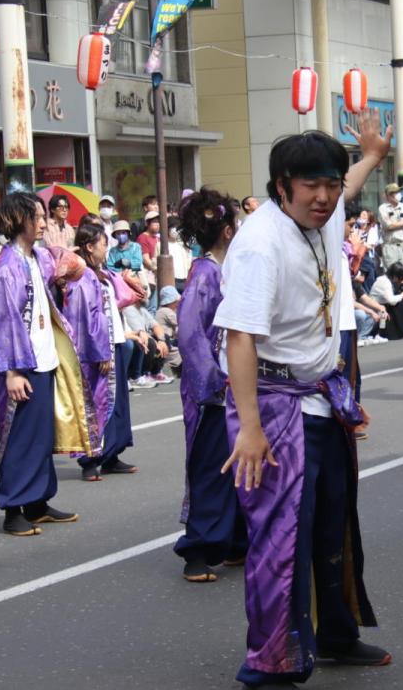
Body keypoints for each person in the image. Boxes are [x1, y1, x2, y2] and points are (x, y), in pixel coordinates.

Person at [215, 111, 390, 687]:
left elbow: (351, 185)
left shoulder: (325, 213)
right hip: (271, 404)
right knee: (279, 537)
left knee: (332, 524)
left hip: (322, 395)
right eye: (310, 185)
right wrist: (248, 427)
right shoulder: (258, 246)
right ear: (281, 185)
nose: (324, 196)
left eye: (331, 184)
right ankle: (270, 659)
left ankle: (335, 634)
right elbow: (239, 336)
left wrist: (369, 156)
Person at [0, 192, 83, 536]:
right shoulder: (5, 266)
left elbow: (68, 268)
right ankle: (13, 508)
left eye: (43, 216)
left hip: (44, 356)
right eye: (37, 217)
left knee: (42, 435)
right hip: (21, 365)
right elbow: (3, 321)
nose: (43, 223)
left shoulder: (38, 257)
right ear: (18, 220)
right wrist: (12, 371)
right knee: (19, 437)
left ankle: (38, 502)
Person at [174, 188, 248, 583]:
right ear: (224, 231)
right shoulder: (204, 273)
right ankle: (198, 550)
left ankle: (235, 540)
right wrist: (213, 382)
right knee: (211, 468)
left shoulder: (223, 270)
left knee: (238, 465)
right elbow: (190, 335)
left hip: (232, 386)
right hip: (213, 392)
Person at [65, 221, 136, 482]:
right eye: (103, 243)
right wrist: (100, 351)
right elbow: (86, 318)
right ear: (89, 246)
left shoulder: (102, 273)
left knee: (117, 401)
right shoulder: (81, 277)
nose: (106, 248)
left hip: (114, 339)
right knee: (96, 402)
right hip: (97, 347)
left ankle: (111, 454)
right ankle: (90, 459)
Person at [368, 263, 403, 339]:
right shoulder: (385, 282)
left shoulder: (387, 280)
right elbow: (391, 301)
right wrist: (402, 295)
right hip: (378, 308)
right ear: (395, 276)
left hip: (382, 306)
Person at [377, 183, 403, 269]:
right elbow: (389, 226)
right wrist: (402, 223)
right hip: (390, 246)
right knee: (392, 273)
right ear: (388, 196)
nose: (397, 195)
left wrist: (395, 224)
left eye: (398, 192)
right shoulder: (383, 208)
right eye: (394, 193)